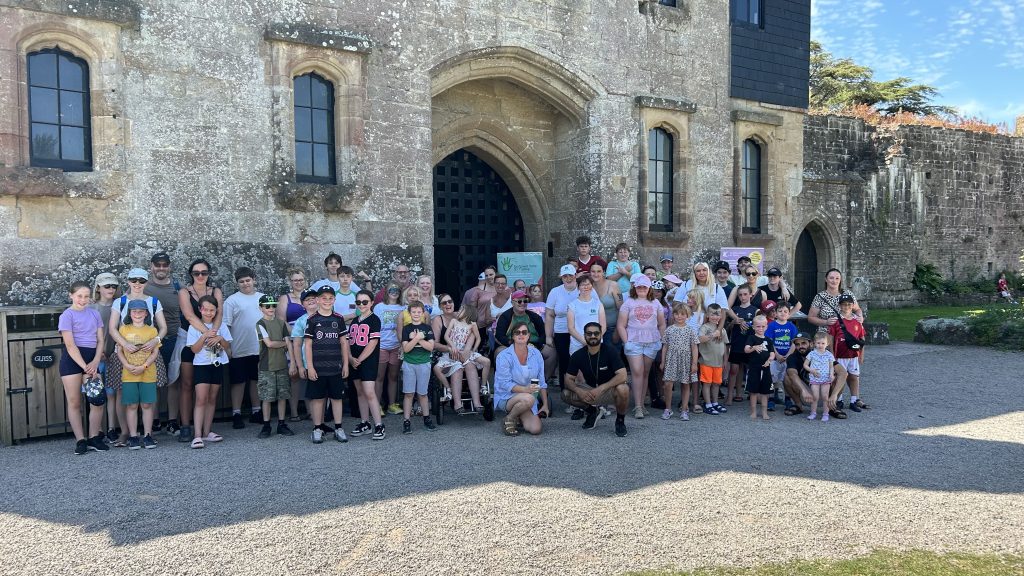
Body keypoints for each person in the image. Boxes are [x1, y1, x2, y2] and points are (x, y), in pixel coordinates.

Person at [108, 268, 168, 446]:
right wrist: (124, 344)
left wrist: (156, 340)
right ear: (128, 281)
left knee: (148, 394)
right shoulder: (120, 302)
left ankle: (146, 433)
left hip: (148, 352)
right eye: (134, 280)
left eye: (141, 280)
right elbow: (112, 328)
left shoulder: (153, 302)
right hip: (125, 352)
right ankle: (127, 433)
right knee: (124, 394)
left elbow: (162, 327)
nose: (137, 283)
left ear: (146, 282)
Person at [176, 259, 223, 443]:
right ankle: (186, 426)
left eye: (204, 272)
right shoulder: (184, 292)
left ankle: (205, 428)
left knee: (209, 385)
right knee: (187, 385)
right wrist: (207, 334)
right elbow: (188, 315)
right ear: (191, 274)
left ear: (209, 273)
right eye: (196, 273)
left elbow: (219, 313)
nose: (201, 276)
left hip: (211, 340)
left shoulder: (216, 291)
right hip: (191, 339)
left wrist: (213, 335)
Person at [59, 281, 108, 455]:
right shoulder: (67, 315)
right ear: (71, 295)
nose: (83, 299)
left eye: (86, 296)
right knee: (74, 402)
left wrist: (95, 362)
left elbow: (101, 340)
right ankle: (81, 440)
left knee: (97, 400)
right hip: (72, 361)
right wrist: (85, 367)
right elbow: (71, 346)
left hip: (91, 360)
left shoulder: (94, 314)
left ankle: (94, 437)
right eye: (79, 296)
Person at [562, 322, 630, 437]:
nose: (593, 336)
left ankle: (620, 421)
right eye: (589, 333)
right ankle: (592, 411)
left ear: (601, 335)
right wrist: (579, 391)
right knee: (566, 394)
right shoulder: (578, 355)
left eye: (596, 333)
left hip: (609, 390)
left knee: (623, 388)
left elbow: (623, 375)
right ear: (584, 336)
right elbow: (568, 379)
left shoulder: (610, 351)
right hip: (589, 390)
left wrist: (601, 388)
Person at [304, 285, 351, 444]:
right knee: (317, 399)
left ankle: (338, 427)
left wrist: (345, 365)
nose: (327, 301)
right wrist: (309, 366)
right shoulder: (312, 320)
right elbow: (308, 345)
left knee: (337, 398)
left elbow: (344, 343)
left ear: (334, 300)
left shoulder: (338, 319)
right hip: (317, 368)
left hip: (335, 367)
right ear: (317, 300)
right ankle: (317, 428)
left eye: (330, 298)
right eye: (324, 298)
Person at [144, 251, 183, 436]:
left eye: (164, 265)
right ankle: (155, 420)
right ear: (151, 266)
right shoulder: (143, 287)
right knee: (153, 382)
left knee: (173, 381)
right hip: (151, 341)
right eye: (157, 264)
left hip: (174, 338)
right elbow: (124, 301)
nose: (161, 268)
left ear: (169, 267)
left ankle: (173, 421)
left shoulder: (177, 286)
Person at [186, 295, 233, 449]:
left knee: (212, 398)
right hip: (202, 365)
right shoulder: (194, 327)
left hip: (217, 364)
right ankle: (197, 435)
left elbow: (227, 346)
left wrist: (219, 338)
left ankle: (207, 431)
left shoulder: (221, 326)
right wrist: (205, 335)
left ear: (216, 311)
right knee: (201, 399)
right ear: (200, 310)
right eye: (205, 309)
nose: (208, 313)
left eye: (212, 310)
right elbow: (194, 349)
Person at [616, 275, 666, 418]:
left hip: (651, 341)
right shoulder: (628, 303)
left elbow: (661, 324)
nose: (642, 289)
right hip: (634, 341)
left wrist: (663, 340)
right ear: (635, 287)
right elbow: (621, 325)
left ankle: (642, 403)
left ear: (649, 288)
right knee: (637, 371)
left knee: (645, 372)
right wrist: (626, 342)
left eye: (644, 286)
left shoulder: (656, 303)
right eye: (639, 287)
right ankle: (637, 406)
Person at [222, 267, 264, 428]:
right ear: (237, 283)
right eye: (241, 281)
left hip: (259, 347)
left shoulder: (262, 298)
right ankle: (236, 413)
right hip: (239, 347)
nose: (245, 284)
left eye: (248, 280)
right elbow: (226, 325)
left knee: (256, 380)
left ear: (254, 279)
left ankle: (256, 410)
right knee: (238, 382)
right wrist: (228, 347)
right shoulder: (232, 301)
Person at [116, 299, 161, 450]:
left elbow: (155, 352)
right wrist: (126, 365)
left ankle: (148, 435)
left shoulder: (152, 331)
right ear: (129, 313)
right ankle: (133, 435)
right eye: (134, 311)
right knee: (132, 405)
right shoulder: (123, 330)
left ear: (146, 313)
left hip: (147, 372)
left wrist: (145, 366)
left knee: (147, 404)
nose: (137, 314)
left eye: (141, 311)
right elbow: (119, 351)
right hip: (129, 373)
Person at [493, 321, 550, 436]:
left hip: (528, 398)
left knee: (535, 429)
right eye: (517, 332)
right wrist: (526, 390)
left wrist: (545, 405)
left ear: (529, 335)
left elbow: (542, 382)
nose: (521, 335)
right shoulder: (504, 356)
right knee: (528, 398)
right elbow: (505, 384)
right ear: (512, 336)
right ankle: (509, 418)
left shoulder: (536, 354)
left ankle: (518, 415)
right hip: (507, 396)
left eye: (524, 332)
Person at [434, 304, 488, 413]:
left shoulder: (472, 326)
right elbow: (446, 336)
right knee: (457, 369)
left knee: (472, 366)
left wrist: (473, 350)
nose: (459, 310)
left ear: (468, 312)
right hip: (453, 353)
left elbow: (478, 339)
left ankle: (478, 400)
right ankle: (457, 403)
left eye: (462, 309)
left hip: (465, 354)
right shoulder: (454, 321)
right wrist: (452, 347)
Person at [347, 290, 385, 440]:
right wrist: (350, 358)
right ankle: (365, 423)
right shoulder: (355, 321)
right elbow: (349, 342)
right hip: (354, 361)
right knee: (360, 392)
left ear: (371, 303)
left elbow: (373, 342)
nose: (361, 305)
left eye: (365, 302)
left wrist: (360, 359)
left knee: (369, 392)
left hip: (367, 361)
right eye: (358, 302)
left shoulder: (374, 319)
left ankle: (379, 425)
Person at [255, 295, 294, 438]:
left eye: (273, 305)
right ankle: (266, 425)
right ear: (261, 308)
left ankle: (281, 423)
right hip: (267, 366)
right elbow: (269, 344)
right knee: (267, 397)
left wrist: (293, 364)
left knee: (282, 396)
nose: (271, 308)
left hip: (282, 364)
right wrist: (285, 344)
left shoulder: (281, 323)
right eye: (267, 306)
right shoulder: (260, 324)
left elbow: (287, 341)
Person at [494, 290, 556, 378]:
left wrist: (537, 344)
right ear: (512, 303)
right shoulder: (505, 316)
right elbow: (499, 336)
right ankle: (503, 381)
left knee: (551, 352)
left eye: (525, 301)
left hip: (532, 345)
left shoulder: (534, 316)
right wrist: (514, 344)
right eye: (519, 301)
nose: (522, 303)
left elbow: (543, 334)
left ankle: (542, 381)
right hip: (510, 345)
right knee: (499, 352)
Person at [91, 272, 121, 442]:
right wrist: (98, 352)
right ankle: (98, 430)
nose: (111, 289)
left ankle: (111, 428)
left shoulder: (119, 305)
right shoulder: (91, 308)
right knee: (96, 394)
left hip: (114, 354)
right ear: (99, 288)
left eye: (114, 286)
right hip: (97, 356)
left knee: (112, 393)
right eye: (107, 286)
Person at [277, 266, 309, 420]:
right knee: (295, 376)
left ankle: (310, 411)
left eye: (301, 279)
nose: (298, 282)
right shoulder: (285, 298)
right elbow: (282, 321)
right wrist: (297, 335)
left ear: (305, 280)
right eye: (295, 280)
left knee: (310, 373)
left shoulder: (311, 297)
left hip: (309, 340)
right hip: (292, 339)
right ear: (290, 282)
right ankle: (295, 412)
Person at [828, 293, 869, 412]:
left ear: (852, 306)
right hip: (840, 355)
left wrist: (862, 354)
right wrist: (832, 354)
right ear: (840, 306)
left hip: (853, 355)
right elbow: (831, 338)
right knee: (838, 377)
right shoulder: (836, 321)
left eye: (849, 305)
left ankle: (854, 400)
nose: (846, 307)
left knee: (854, 376)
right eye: (843, 305)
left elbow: (862, 339)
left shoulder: (857, 321)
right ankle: (839, 399)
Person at [400, 301, 436, 434]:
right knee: (408, 393)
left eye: (418, 312)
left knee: (423, 393)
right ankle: (406, 421)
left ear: (423, 313)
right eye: (413, 312)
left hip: (424, 363)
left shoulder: (427, 328)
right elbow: (406, 348)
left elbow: (431, 347)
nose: (416, 314)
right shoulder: (406, 328)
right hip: (409, 363)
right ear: (409, 313)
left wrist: (418, 338)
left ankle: (427, 419)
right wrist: (416, 340)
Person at [660, 302, 699, 421]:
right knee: (668, 384)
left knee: (686, 384)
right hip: (671, 359)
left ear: (687, 315)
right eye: (676, 314)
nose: (679, 316)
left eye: (683, 314)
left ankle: (684, 409)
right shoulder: (669, 330)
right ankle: (668, 409)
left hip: (686, 360)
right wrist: (662, 362)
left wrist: (694, 363)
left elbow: (694, 347)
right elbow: (665, 346)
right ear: (673, 315)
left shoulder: (690, 330)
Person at [373, 283, 406, 415]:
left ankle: (392, 404)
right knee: (379, 376)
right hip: (382, 345)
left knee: (393, 376)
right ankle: (377, 405)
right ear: (386, 291)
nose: (394, 292)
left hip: (397, 346)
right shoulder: (379, 307)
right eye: (391, 289)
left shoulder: (404, 307)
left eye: (397, 289)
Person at [545, 264, 580, 388]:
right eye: (565, 276)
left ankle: (581, 388)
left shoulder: (583, 289)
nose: (568, 278)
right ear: (561, 277)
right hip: (561, 332)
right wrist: (548, 336)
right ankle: (566, 390)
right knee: (564, 360)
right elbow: (549, 315)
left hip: (579, 332)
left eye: (570, 275)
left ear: (575, 275)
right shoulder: (555, 292)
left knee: (579, 360)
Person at [288, 289, 319, 421]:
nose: (311, 301)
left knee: (325, 391)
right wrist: (299, 366)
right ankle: (316, 420)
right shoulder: (301, 321)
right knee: (312, 392)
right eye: (307, 299)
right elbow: (296, 344)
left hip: (327, 361)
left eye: (313, 298)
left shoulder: (330, 316)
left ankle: (324, 416)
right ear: (302, 305)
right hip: (308, 362)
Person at [726, 284, 758, 405]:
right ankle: (731, 395)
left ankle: (752, 394)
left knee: (750, 369)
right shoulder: (735, 310)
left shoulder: (755, 310)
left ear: (751, 295)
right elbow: (728, 327)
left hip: (750, 344)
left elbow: (759, 327)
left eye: (745, 294)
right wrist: (734, 322)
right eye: (740, 295)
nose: (743, 297)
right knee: (734, 370)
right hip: (737, 343)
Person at [697, 304, 729, 415]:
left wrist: (725, 360)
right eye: (712, 314)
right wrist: (712, 335)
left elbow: (725, 345)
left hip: (719, 362)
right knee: (707, 383)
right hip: (706, 362)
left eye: (717, 315)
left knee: (716, 384)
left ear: (720, 316)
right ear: (707, 315)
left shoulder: (722, 330)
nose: (715, 317)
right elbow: (700, 339)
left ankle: (715, 402)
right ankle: (708, 404)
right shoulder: (704, 327)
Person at [766, 302, 799, 411]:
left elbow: (794, 343)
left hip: (787, 358)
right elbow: (770, 342)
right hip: (775, 357)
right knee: (772, 379)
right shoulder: (771, 326)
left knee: (786, 379)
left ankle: (788, 398)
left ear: (789, 313)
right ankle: (771, 398)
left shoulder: (791, 326)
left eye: (785, 311)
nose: (783, 313)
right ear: (775, 313)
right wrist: (777, 354)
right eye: (780, 311)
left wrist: (788, 355)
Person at [743, 315, 775, 420]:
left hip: (766, 369)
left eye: (762, 326)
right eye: (758, 326)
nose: (760, 329)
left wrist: (769, 360)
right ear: (753, 327)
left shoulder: (769, 340)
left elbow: (772, 353)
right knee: (753, 392)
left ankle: (764, 412)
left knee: (765, 392)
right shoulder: (751, 338)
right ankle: (753, 412)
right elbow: (746, 349)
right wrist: (753, 347)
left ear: (766, 327)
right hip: (754, 369)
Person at [566, 276, 606, 356]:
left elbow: (603, 326)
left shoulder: (598, 304)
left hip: (596, 344)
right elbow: (571, 328)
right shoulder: (572, 305)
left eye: (588, 284)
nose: (586, 287)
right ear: (578, 287)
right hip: (577, 344)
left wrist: (594, 340)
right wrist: (584, 341)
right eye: (583, 285)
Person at [803, 333, 835, 421]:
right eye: (818, 343)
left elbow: (831, 366)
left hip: (826, 379)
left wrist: (831, 374)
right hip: (814, 378)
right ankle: (813, 413)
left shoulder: (829, 355)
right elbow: (805, 365)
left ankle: (825, 413)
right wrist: (812, 370)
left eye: (823, 343)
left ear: (827, 344)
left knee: (825, 397)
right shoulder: (812, 354)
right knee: (815, 397)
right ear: (814, 343)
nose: (820, 345)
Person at [590, 263, 622, 349]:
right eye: (593, 271)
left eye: (599, 271)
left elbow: (621, 309)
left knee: (613, 359)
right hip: (594, 331)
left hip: (611, 329)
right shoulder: (588, 286)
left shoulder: (613, 285)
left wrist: (617, 332)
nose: (596, 274)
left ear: (603, 272)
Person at [483, 274, 512, 351]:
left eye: (503, 283)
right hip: (495, 335)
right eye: (497, 283)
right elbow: (486, 320)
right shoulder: (490, 301)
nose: (500, 286)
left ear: (506, 285)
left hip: (511, 332)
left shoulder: (512, 298)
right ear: (494, 284)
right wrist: (496, 318)